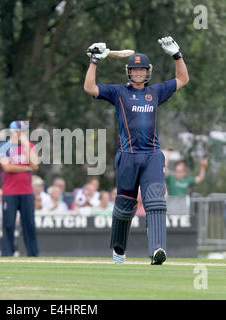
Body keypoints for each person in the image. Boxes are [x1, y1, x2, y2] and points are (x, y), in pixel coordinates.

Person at [84, 36, 189, 265]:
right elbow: (89, 87)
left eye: (142, 69)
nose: (139, 73)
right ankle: (119, 250)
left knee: (155, 201)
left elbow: (183, 79)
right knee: (124, 206)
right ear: (129, 72)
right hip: (127, 156)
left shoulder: (157, 92)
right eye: (135, 69)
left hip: (152, 155)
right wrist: (94, 61)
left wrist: (177, 55)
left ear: (148, 71)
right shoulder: (118, 92)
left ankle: (157, 250)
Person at [0, 120, 39, 257]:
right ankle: (7, 254)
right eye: (21, 131)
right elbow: (7, 167)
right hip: (10, 192)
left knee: (29, 225)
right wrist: (26, 168)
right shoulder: (4, 147)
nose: (24, 134)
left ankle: (33, 255)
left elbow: (35, 165)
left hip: (27, 192)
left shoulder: (29, 146)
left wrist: (26, 144)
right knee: (8, 224)